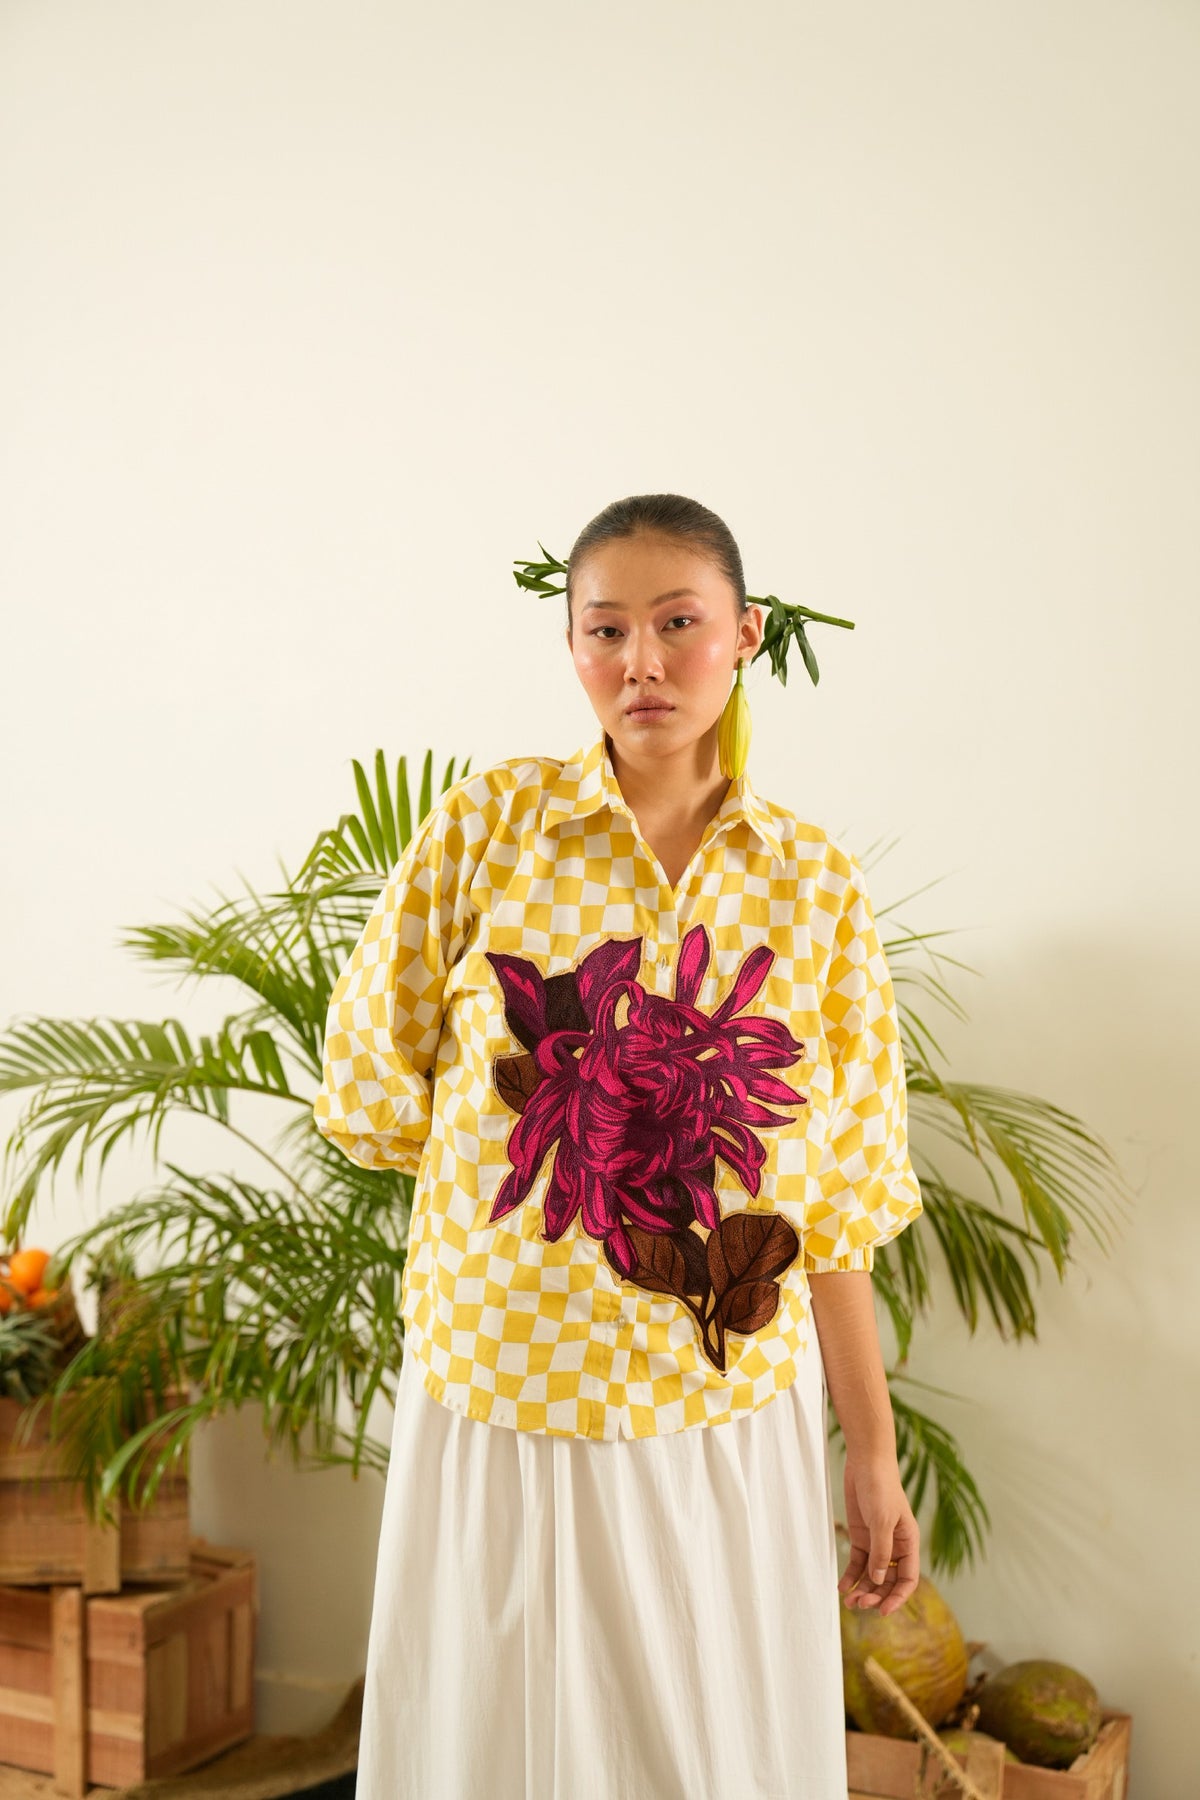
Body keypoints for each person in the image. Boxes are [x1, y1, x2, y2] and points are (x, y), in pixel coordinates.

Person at [313, 492, 926, 1798]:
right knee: (491, 1750)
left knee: (709, 1752)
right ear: (572, 647)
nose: (641, 662)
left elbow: (840, 1199)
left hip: (721, 1411)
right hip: (502, 1388)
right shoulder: (488, 830)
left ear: (745, 634)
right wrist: (542, 1156)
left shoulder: (813, 888)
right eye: (606, 631)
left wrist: (871, 1456)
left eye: (677, 623)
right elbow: (370, 1080)